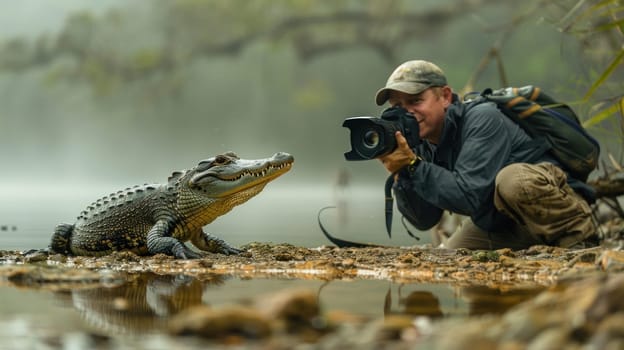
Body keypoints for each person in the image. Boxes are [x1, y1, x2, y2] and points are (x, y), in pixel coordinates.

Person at [375, 60, 597, 250]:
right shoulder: (420, 142)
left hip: (553, 203)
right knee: (449, 261)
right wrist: (402, 172)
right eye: (398, 106)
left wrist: (414, 166)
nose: (407, 112)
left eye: (415, 101)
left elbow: (469, 196)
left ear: (444, 97)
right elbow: (425, 219)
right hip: (503, 222)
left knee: (512, 180)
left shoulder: (482, 118)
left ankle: (578, 240)